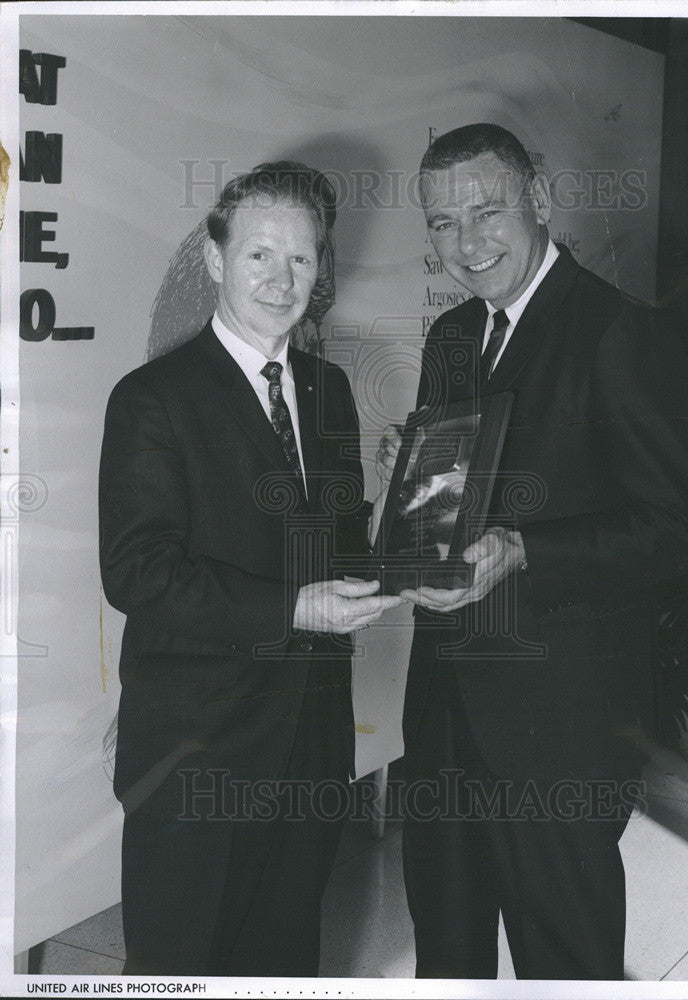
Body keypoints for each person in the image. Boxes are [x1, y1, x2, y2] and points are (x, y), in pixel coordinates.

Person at [376, 123, 688, 979]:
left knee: (564, 960)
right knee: (446, 953)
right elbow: (449, 496)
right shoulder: (455, 335)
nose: (467, 243)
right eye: (444, 225)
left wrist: (524, 549)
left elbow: (679, 529)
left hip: (560, 724)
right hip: (446, 702)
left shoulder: (617, 330)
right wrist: (412, 499)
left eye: (486, 212)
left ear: (541, 202)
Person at [100, 161, 401, 976]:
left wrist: (408, 499)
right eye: (260, 254)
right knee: (178, 966)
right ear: (215, 258)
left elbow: (339, 558)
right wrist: (295, 610)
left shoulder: (331, 391)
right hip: (196, 756)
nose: (280, 279)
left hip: (309, 744)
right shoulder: (152, 397)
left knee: (284, 960)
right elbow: (137, 573)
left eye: (301, 259)